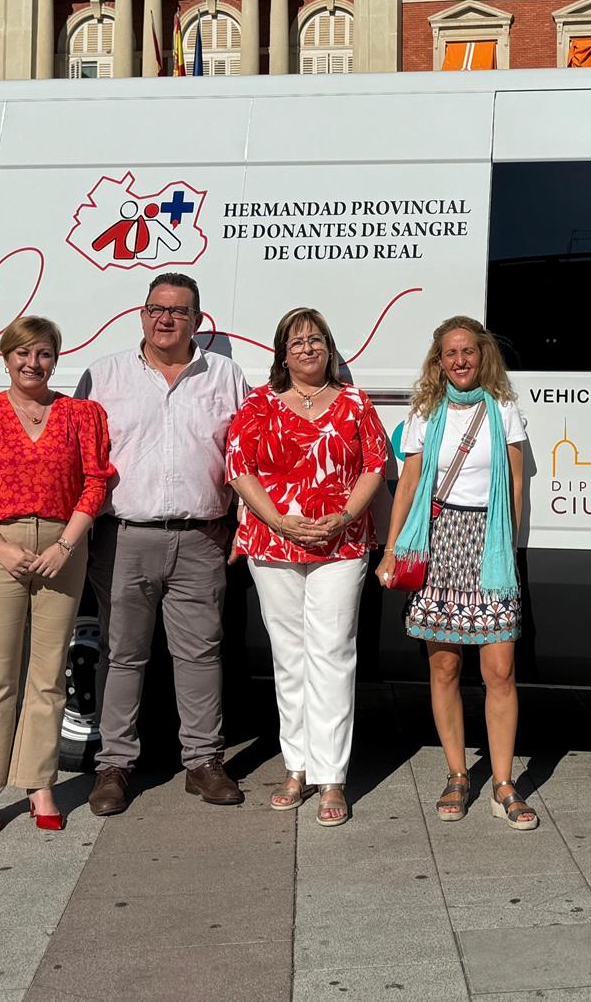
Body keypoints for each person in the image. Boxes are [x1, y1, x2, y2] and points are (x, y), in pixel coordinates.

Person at [77, 273, 250, 814]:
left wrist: (240, 523)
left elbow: (245, 455)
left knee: (200, 655)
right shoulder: (103, 377)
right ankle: (113, 767)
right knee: (123, 654)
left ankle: (202, 762)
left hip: (201, 538)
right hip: (125, 537)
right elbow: (79, 460)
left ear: (198, 320)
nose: (165, 318)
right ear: (142, 314)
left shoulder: (225, 375)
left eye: (178, 311)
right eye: (156, 308)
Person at [0, 315, 111, 836]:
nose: (33, 364)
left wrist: (65, 544)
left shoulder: (81, 415)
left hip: (63, 548)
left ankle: (40, 783)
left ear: (56, 359)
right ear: (6, 356)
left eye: (44, 354)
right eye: (23, 354)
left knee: (49, 674)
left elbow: (96, 484)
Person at [227, 307, 388, 828]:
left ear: (330, 347)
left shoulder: (355, 402)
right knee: (289, 655)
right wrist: (280, 521)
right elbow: (238, 468)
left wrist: (343, 515)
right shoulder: (258, 403)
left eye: (316, 340)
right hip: (272, 542)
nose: (307, 349)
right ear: (282, 352)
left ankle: (332, 776)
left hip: (340, 544)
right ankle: (295, 766)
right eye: (296, 342)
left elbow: (374, 465)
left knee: (333, 652)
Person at [375, 315, 536, 831]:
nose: (460, 361)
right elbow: (407, 485)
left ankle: (505, 783)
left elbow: (515, 484)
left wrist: (505, 548)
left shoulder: (504, 409)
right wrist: (393, 548)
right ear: (438, 361)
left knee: (500, 671)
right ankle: (457, 773)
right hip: (438, 542)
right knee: (443, 668)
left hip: (487, 545)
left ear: (482, 356)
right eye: (450, 353)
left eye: (468, 351)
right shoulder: (426, 412)